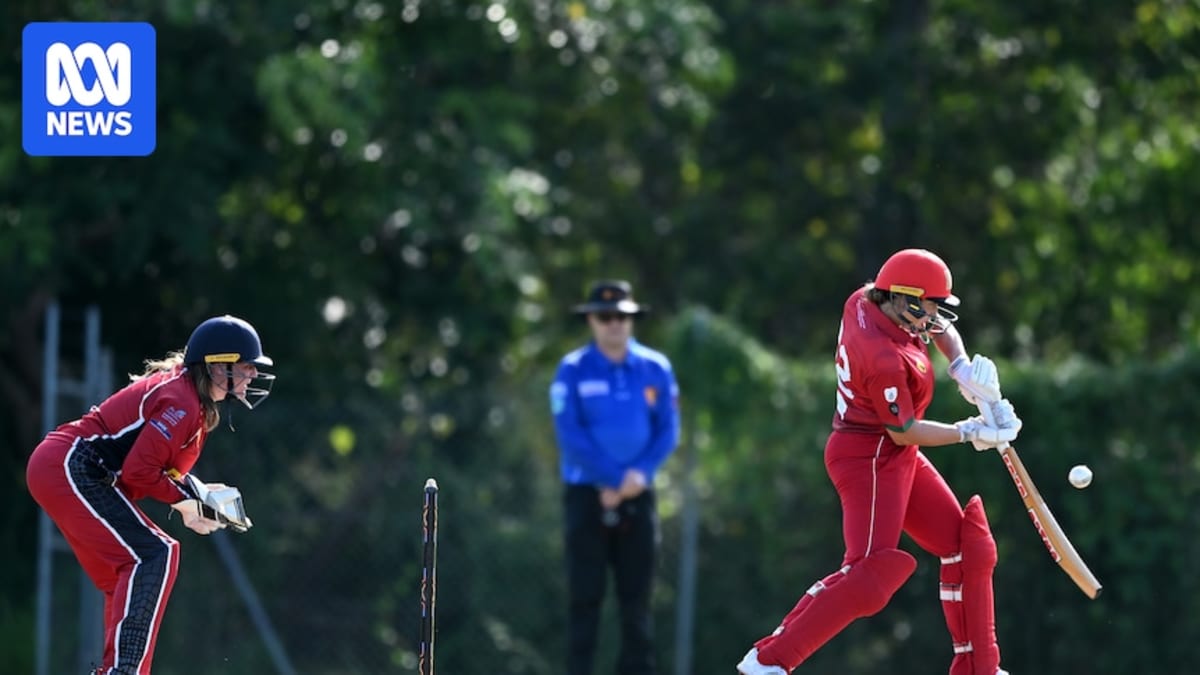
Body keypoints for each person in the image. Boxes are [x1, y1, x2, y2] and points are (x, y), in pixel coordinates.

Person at [736, 249, 1023, 675]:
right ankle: (768, 661)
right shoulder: (882, 358)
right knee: (869, 577)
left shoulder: (867, 298)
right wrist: (969, 431)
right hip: (868, 456)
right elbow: (904, 430)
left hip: (892, 453)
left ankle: (980, 668)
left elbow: (937, 325)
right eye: (927, 308)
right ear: (903, 299)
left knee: (967, 546)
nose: (934, 319)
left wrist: (960, 364)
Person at [26, 315, 275, 675]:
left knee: (126, 577)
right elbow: (139, 472)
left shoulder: (190, 399)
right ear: (217, 364)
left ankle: (119, 670)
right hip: (69, 466)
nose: (252, 374)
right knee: (156, 553)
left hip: (71, 469)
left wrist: (198, 494)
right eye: (246, 365)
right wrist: (188, 504)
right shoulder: (183, 401)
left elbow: (154, 468)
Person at [550, 280, 681, 675]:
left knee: (636, 602)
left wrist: (637, 476)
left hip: (638, 495)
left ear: (632, 319)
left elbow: (668, 430)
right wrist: (610, 479)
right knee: (584, 598)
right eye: (605, 317)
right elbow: (569, 434)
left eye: (621, 317)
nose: (614, 325)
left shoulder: (655, 368)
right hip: (586, 495)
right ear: (591, 320)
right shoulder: (572, 370)